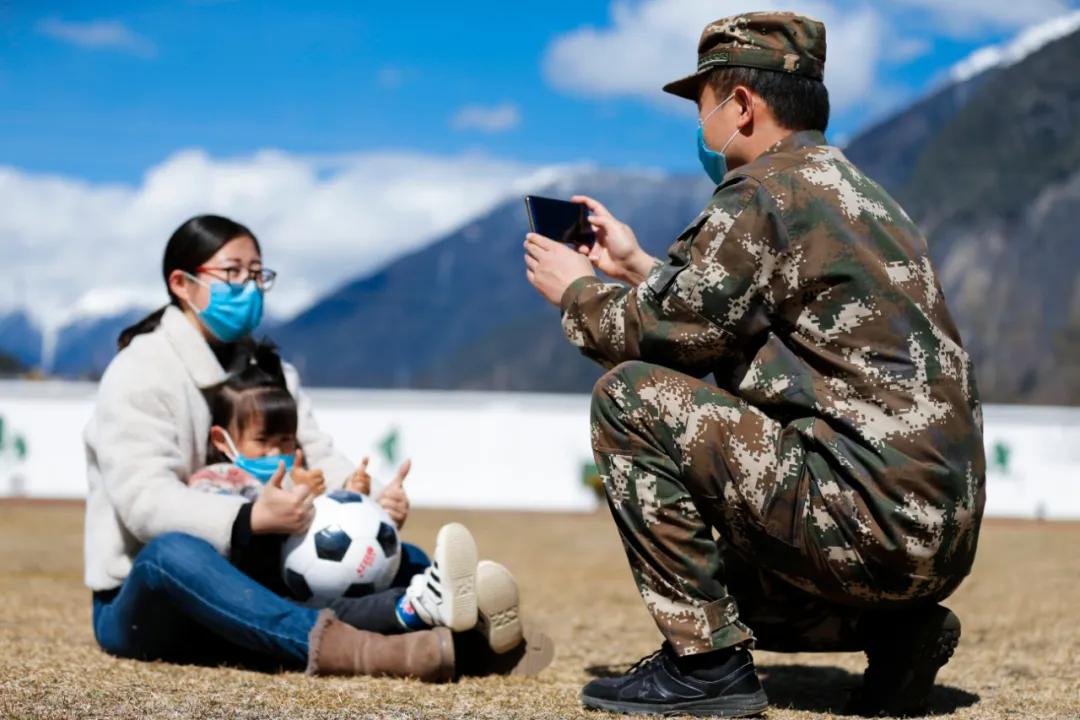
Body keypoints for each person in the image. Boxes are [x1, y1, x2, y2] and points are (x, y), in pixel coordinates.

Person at [524, 12, 984, 718]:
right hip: (931, 539)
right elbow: (745, 315)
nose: (700, 125)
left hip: (862, 519)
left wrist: (576, 290)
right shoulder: (859, 195)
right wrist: (636, 263)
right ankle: (899, 633)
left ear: (740, 105)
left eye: (704, 105)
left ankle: (706, 666)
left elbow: (666, 335)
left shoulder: (763, 192)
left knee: (630, 398)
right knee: (732, 578)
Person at [86, 214, 550, 682]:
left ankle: (468, 638)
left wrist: (374, 502)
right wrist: (248, 519)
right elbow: (144, 501)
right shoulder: (139, 372)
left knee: (400, 555)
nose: (249, 287)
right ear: (181, 283)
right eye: (233, 273)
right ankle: (372, 652)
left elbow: (318, 454)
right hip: (145, 602)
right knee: (173, 555)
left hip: (261, 570)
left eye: (257, 274)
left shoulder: (272, 369)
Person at [189, 336, 524, 649]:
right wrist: (289, 497)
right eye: (262, 442)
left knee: (409, 557)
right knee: (338, 611)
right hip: (271, 597)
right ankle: (416, 608)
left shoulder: (301, 475)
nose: (275, 453)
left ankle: (464, 611)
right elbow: (224, 527)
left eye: (285, 442)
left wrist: (356, 502)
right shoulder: (216, 481)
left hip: (320, 578)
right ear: (222, 440)